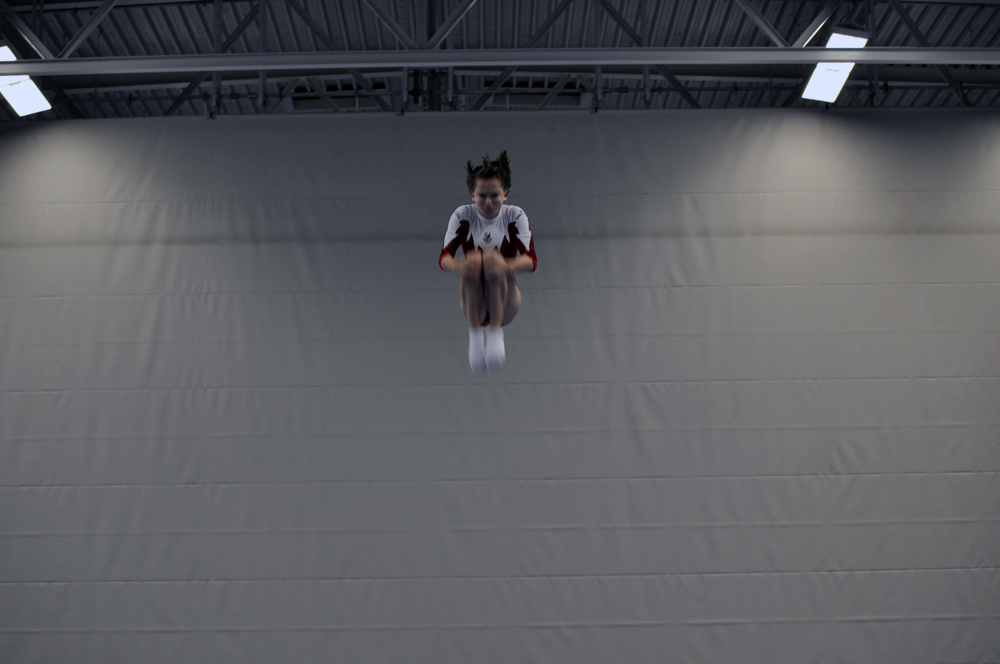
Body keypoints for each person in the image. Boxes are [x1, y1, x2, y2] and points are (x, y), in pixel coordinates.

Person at [439, 150, 537, 375]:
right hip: (474, 301)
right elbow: (444, 258)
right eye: (482, 195)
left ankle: (495, 332)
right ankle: (475, 335)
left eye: (494, 195)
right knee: (472, 260)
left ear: (505, 194)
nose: (488, 202)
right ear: (472, 195)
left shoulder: (515, 216)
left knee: (492, 259)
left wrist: (505, 266)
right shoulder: (462, 215)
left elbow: (531, 261)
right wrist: (459, 268)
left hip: (506, 300)